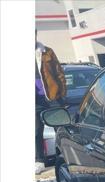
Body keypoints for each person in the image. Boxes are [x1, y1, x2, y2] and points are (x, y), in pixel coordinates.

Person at [36, 30, 66, 171]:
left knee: (60, 127)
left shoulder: (47, 52)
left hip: (52, 96)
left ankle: (66, 154)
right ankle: (39, 161)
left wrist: (62, 93)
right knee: (36, 131)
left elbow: (59, 73)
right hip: (35, 100)